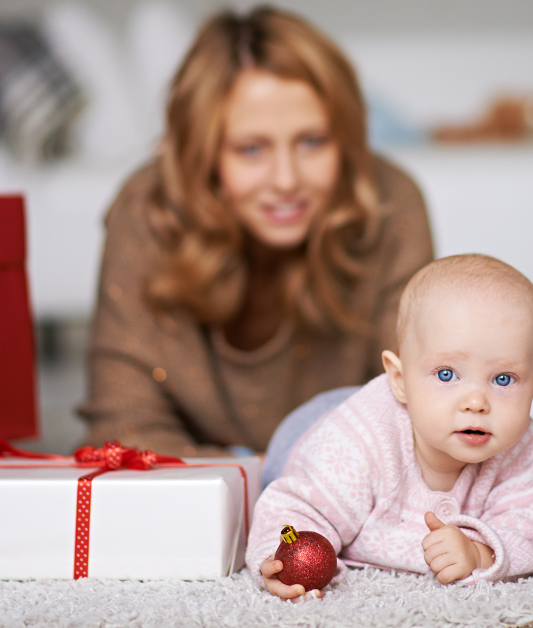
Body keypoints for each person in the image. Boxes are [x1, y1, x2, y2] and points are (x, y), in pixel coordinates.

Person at [77, 7, 434, 457]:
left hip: (337, 492)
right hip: (217, 495)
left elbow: (419, 415)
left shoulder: (389, 200)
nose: (285, 180)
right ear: (204, 157)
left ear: (344, 140)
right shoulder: (147, 208)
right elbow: (122, 422)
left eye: (312, 142)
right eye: (250, 149)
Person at [248, 254, 533, 600]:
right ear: (398, 379)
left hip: (391, 412)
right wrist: (281, 561)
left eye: (503, 379)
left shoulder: (526, 448)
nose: (476, 402)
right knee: (274, 474)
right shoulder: (357, 440)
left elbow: (530, 532)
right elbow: (297, 509)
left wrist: (480, 553)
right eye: (446, 374)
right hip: (307, 431)